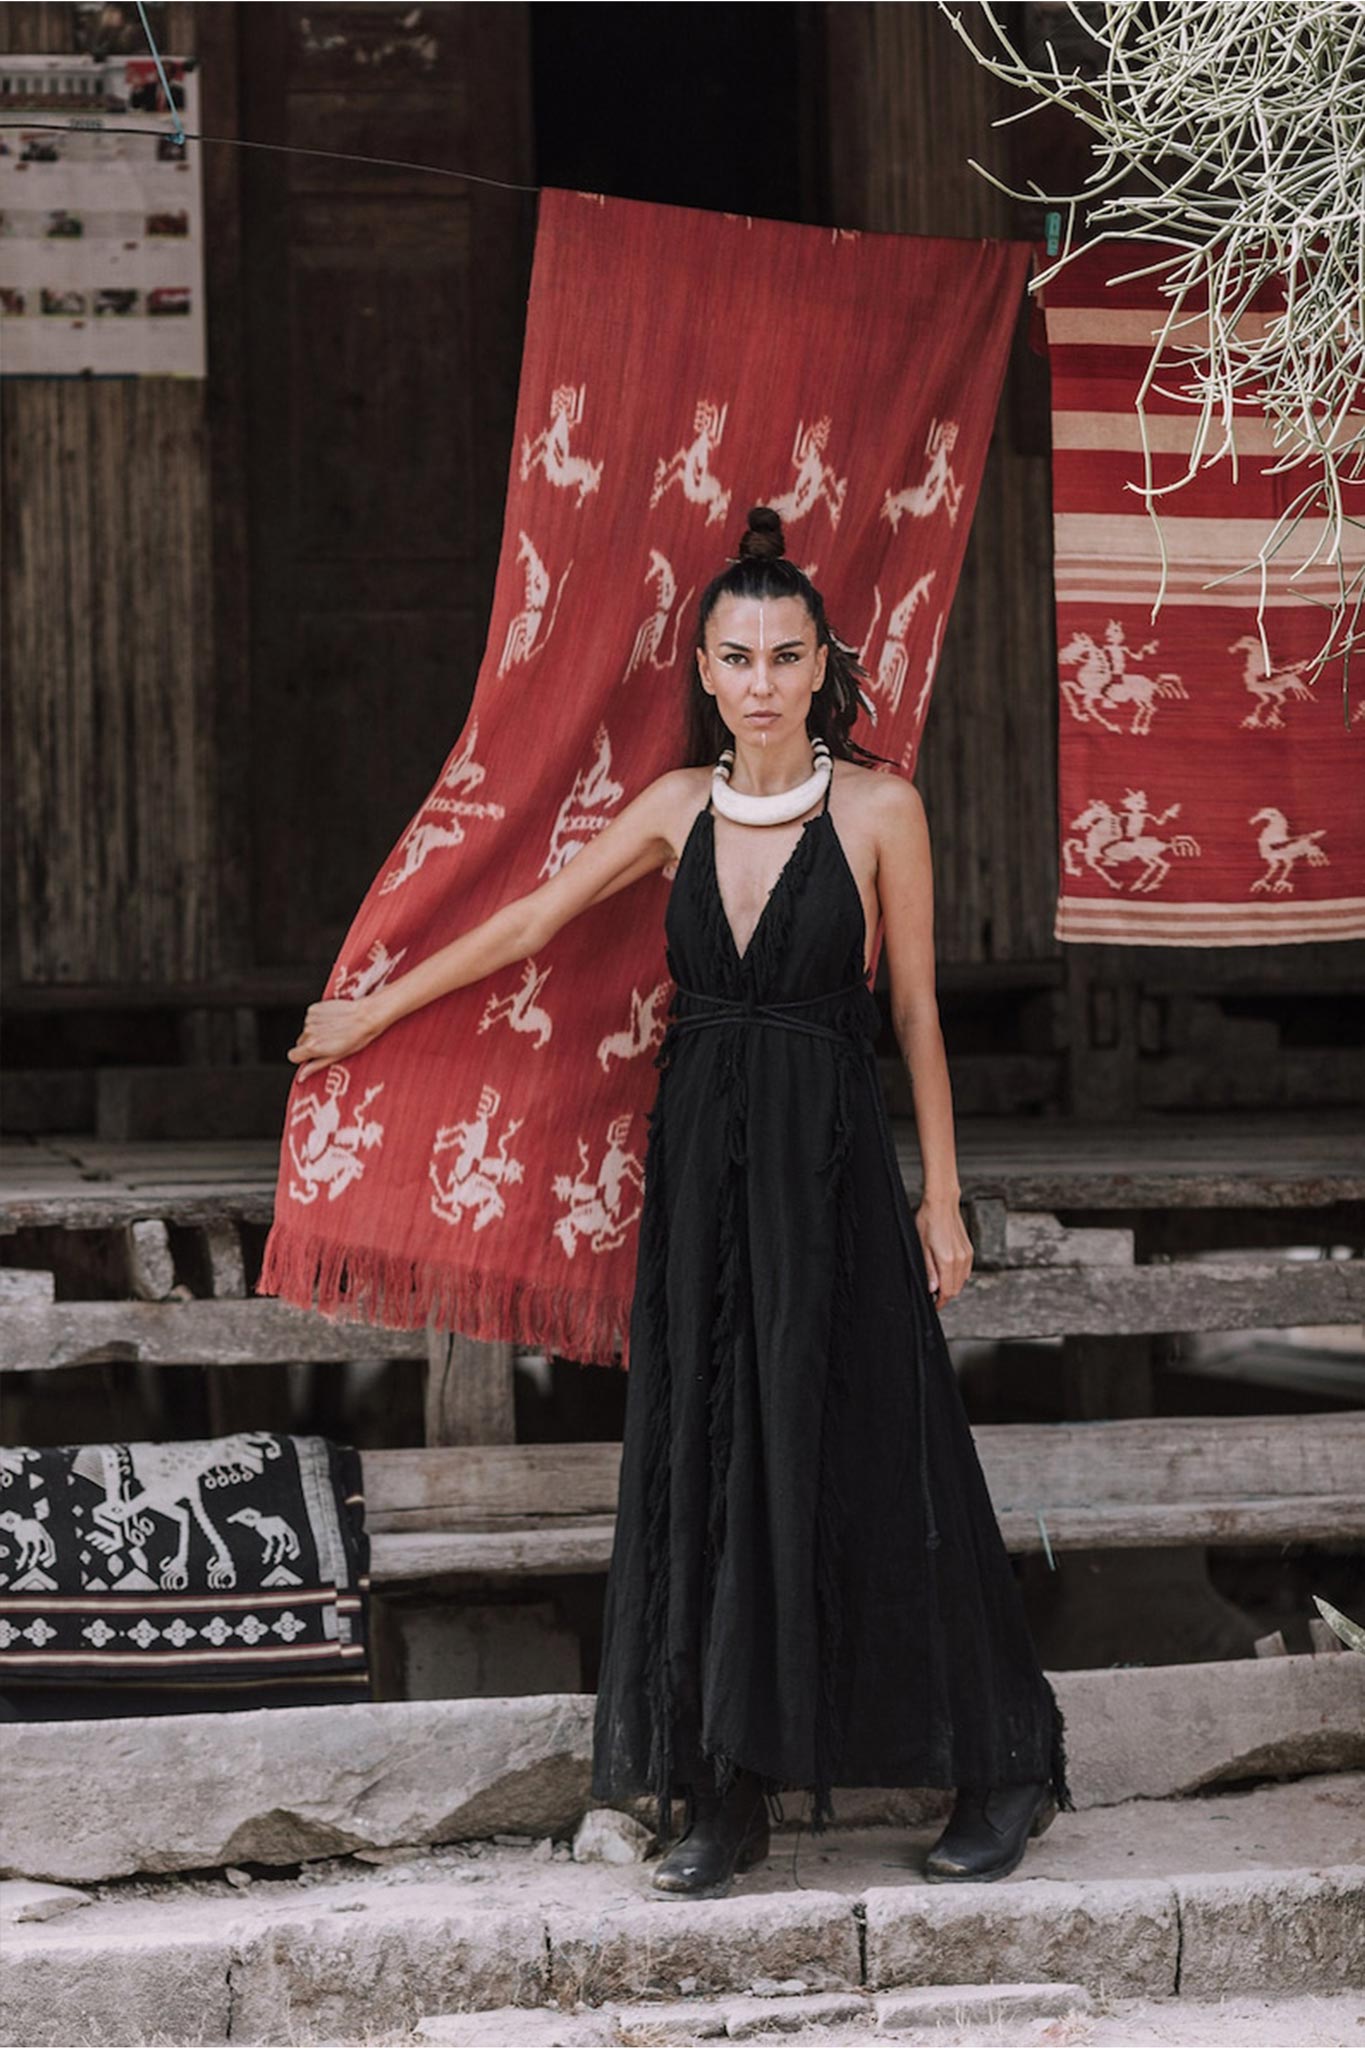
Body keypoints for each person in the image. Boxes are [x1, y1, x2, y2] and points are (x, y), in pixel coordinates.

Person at [289, 504, 1070, 1901]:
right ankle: (726, 1788)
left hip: (832, 1162)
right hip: (704, 1167)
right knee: (711, 1448)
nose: (761, 681)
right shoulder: (671, 811)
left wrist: (942, 1201)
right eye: (736, 657)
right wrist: (370, 1015)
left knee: (881, 1443)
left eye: (785, 656)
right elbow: (528, 924)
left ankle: (1001, 1766)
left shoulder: (882, 808)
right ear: (701, 670)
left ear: (823, 663)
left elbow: (915, 1015)